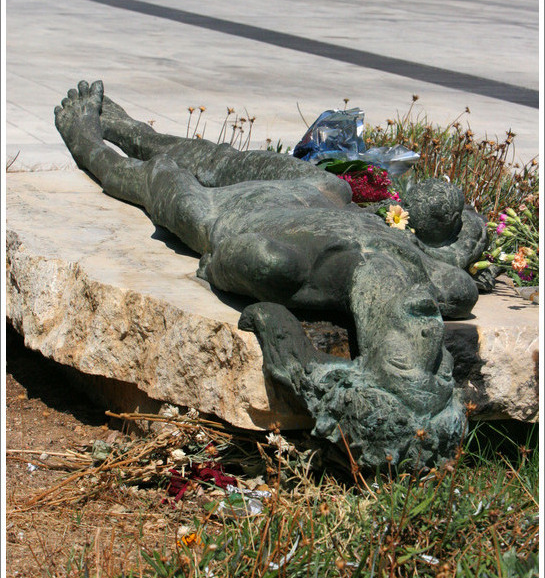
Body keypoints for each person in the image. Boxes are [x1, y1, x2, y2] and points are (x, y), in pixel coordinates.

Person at [55, 80, 486, 467]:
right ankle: (136, 131)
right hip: (321, 195)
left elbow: (223, 259)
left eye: (401, 363)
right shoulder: (448, 288)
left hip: (233, 211)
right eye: (433, 371)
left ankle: (87, 140)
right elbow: (468, 231)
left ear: (363, 363)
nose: (427, 334)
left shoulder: (280, 268)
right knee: (222, 157)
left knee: (160, 180)